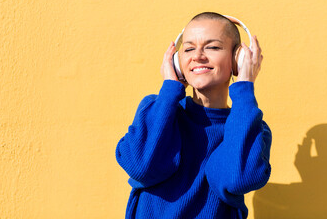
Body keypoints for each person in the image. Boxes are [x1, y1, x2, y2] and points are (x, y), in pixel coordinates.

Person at [116, 12, 272, 219]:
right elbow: (141, 167)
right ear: (177, 61)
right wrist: (170, 89)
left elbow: (238, 179)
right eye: (188, 48)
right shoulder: (156, 109)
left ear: (238, 59)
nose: (197, 56)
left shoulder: (252, 128)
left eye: (213, 47)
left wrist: (245, 89)